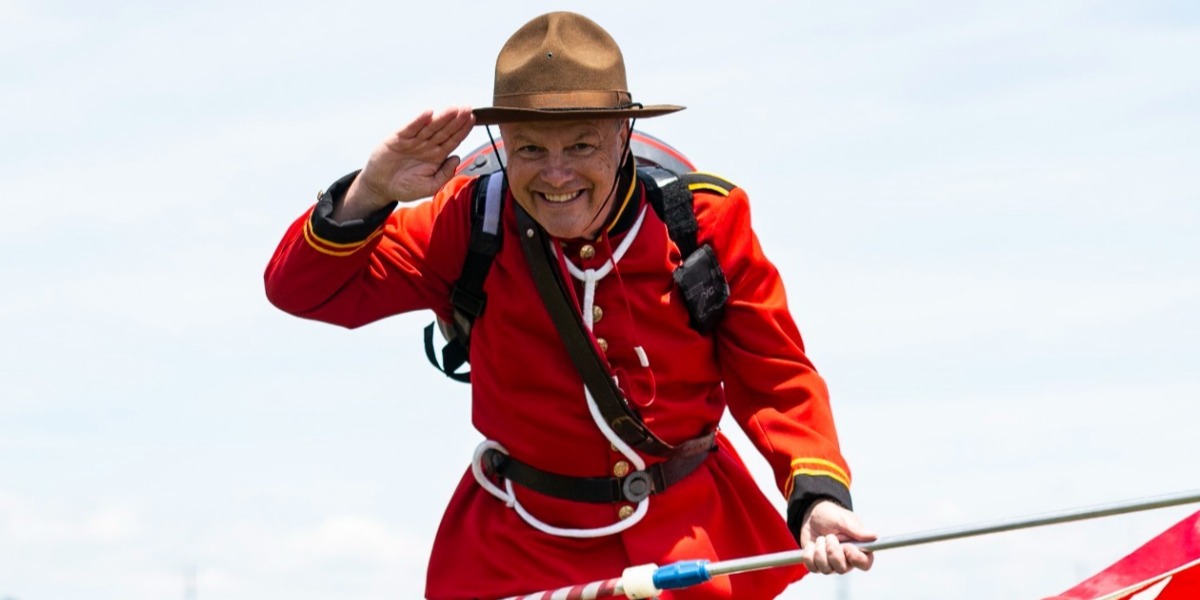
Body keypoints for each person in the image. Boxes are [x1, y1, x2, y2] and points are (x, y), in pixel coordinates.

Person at [265, 11, 875, 600]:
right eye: (529, 150)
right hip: (523, 550)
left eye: (581, 145)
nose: (556, 176)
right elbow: (301, 290)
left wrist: (817, 496)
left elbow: (775, 375)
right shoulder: (466, 220)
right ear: (502, 144)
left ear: (622, 132)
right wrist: (371, 191)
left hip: (690, 541)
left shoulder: (701, 220)